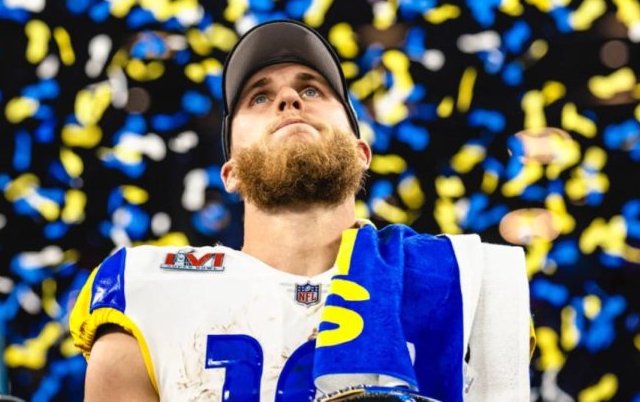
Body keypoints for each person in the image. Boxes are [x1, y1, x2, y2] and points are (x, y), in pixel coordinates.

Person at [70, 20, 532, 401]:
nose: (288, 100)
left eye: (312, 91)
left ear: (360, 153)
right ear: (230, 173)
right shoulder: (144, 291)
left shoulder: (467, 279)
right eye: (259, 97)